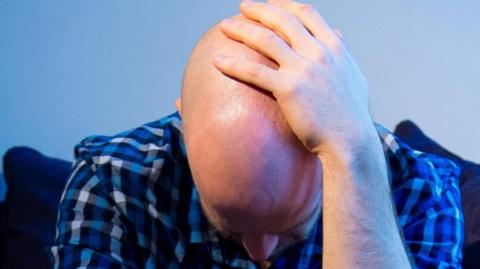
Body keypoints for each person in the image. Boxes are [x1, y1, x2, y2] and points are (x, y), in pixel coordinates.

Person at [50, 0, 463, 268]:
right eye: (230, 227)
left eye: (289, 229)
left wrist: (353, 154)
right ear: (182, 127)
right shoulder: (113, 180)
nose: (258, 256)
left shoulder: (422, 192)